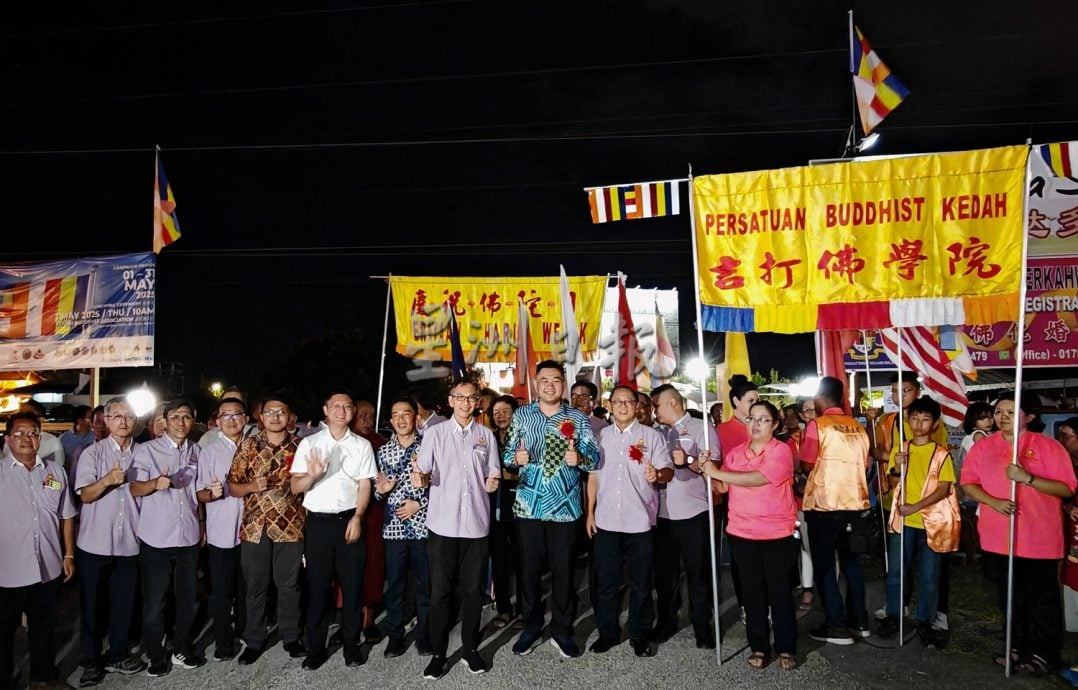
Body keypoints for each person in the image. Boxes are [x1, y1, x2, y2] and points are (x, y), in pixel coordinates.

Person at [961, 392, 1076, 676]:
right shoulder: (984, 447)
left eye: (1011, 412)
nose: (1003, 417)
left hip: (1038, 538)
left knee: (1040, 599)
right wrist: (993, 501)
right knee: (1009, 596)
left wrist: (1029, 479)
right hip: (998, 537)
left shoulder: (1048, 446)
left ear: (1030, 416)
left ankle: (1043, 653)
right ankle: (1015, 645)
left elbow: (1066, 488)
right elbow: (968, 483)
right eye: (999, 411)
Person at [503, 361, 599, 659]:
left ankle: (562, 629)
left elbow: (594, 458)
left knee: (564, 571)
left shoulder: (577, 418)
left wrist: (579, 458)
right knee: (529, 572)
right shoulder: (522, 415)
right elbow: (506, 455)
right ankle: (531, 627)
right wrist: (515, 459)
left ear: (563, 384)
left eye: (556, 380)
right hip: (528, 507)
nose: (549, 385)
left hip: (565, 507)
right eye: (544, 380)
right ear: (536, 383)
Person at [701, 400, 799, 671]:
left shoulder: (781, 451)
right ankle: (759, 646)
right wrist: (705, 470)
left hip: (776, 534)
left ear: (775, 424)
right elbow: (722, 487)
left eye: (763, 419)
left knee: (779, 592)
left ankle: (786, 646)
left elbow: (758, 478)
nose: (755, 424)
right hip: (742, 533)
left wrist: (718, 472)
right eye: (751, 418)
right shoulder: (735, 454)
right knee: (752, 592)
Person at [415, 379, 500, 680]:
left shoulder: (486, 436)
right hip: (443, 525)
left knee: (473, 591)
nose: (466, 402)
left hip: (476, 525)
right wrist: (420, 479)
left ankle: (470, 650)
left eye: (471, 398)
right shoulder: (435, 434)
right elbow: (422, 472)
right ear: (450, 400)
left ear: (478, 402)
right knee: (440, 592)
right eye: (460, 397)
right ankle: (439, 654)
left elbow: (493, 473)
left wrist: (493, 482)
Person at [290, 389, 377, 670]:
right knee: (317, 589)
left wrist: (358, 517)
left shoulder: (362, 445)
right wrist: (312, 475)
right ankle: (316, 648)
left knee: (352, 588)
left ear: (353, 411)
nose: (342, 411)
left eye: (347, 406)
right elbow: (295, 487)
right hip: (318, 524)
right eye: (336, 406)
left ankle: (352, 647)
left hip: (349, 521)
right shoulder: (310, 443)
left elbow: (365, 484)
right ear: (326, 410)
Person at [586, 385, 673, 657]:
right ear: (610, 406)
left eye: (628, 402)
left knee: (641, 583)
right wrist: (590, 512)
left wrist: (657, 475)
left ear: (637, 406)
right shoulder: (600, 437)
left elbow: (667, 471)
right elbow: (593, 477)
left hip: (640, 522)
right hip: (606, 521)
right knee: (606, 584)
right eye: (617, 402)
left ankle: (639, 634)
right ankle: (608, 633)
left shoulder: (652, 436)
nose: (623, 406)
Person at [227, 394, 307, 665]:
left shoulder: (301, 446)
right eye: (270, 412)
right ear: (261, 417)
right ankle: (254, 640)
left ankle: (291, 636)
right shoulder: (249, 445)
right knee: (255, 586)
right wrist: (252, 486)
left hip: (291, 526)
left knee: (289, 585)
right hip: (255, 527)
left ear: (290, 416)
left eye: (281, 412)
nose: (275, 417)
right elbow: (233, 486)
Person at [0, 412, 77, 689]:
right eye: (19, 433)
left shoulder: (54, 472)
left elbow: (66, 515)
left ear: (40, 439)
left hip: (48, 566)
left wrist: (68, 555)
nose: (26, 438)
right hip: (7, 570)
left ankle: (41, 678)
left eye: (32, 433)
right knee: (3, 633)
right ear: (8, 439)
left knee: (44, 628)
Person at [72, 397, 146, 685]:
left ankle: (117, 655)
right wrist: (106, 480)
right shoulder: (92, 453)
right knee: (92, 607)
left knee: (123, 605)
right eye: (117, 416)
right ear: (106, 419)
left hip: (129, 542)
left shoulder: (143, 453)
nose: (123, 421)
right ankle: (91, 661)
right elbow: (85, 495)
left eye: (128, 416)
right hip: (94, 544)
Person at [129, 399, 204, 676]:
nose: (181, 422)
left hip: (188, 536)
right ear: (164, 420)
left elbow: (198, 494)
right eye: (175, 417)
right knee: (155, 601)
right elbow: (134, 488)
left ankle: (181, 648)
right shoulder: (147, 450)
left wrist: (202, 526)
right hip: (157, 538)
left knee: (187, 599)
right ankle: (155, 654)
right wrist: (154, 484)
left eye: (186, 416)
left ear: (193, 420)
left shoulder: (197, 450)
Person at [877, 396, 960, 646]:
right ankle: (894, 614)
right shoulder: (901, 449)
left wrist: (916, 506)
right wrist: (896, 467)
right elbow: (894, 480)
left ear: (935, 424)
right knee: (896, 572)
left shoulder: (941, 453)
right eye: (914, 418)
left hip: (930, 523)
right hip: (903, 522)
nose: (918, 424)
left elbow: (944, 488)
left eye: (925, 419)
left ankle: (926, 620)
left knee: (929, 574)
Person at [799, 376, 872, 645]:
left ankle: (837, 625)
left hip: (825, 504)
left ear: (820, 396)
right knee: (852, 564)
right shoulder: (858, 426)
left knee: (826, 566)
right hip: (854, 504)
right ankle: (860, 622)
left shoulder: (817, 426)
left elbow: (807, 464)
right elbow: (865, 464)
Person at [649, 383, 721, 649]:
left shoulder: (702, 428)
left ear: (673, 402)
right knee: (665, 575)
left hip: (694, 513)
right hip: (663, 514)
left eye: (657, 405)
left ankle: (702, 627)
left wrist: (689, 461)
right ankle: (666, 621)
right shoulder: (657, 434)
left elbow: (715, 466)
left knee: (698, 573)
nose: (654, 411)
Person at [374, 398, 431, 657]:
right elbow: (377, 491)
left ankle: (424, 635)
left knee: (425, 583)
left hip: (423, 526)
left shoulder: (429, 447)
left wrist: (419, 503)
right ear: (390, 420)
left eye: (406, 413)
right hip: (394, 529)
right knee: (395, 584)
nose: (401, 419)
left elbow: (443, 485)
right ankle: (395, 635)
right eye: (395, 414)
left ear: (415, 418)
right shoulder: (383, 452)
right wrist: (382, 491)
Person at [195, 397, 249, 662]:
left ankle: (245, 631)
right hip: (222, 532)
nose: (231, 420)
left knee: (247, 587)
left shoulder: (255, 448)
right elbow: (200, 493)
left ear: (246, 419)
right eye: (225, 415)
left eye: (237, 414)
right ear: (218, 421)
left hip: (251, 531)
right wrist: (213, 493)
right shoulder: (209, 452)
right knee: (221, 591)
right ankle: (223, 641)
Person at [350, 398, 387, 642]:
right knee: (349, 566)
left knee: (373, 564)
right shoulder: (344, 442)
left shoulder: (381, 443)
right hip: (347, 510)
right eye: (362, 416)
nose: (368, 421)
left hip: (374, 511)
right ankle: (349, 618)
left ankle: (369, 617)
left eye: (371, 416)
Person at [489, 395, 522, 629]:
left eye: (506, 411)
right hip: (494, 506)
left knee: (524, 561)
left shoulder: (524, 437)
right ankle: (503, 609)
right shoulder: (487, 439)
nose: (500, 416)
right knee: (499, 560)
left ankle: (525, 609)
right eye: (496, 412)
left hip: (522, 505)